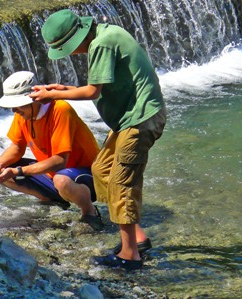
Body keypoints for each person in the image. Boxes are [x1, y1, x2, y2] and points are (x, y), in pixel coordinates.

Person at [30, 9, 166, 270]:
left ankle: (129, 256)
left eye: (68, 48)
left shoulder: (101, 44)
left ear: (77, 38)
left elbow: (93, 92)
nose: (70, 54)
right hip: (133, 118)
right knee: (102, 170)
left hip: (139, 120)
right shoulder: (106, 33)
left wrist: (55, 96)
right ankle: (137, 238)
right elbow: (100, 86)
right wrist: (58, 90)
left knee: (121, 184)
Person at [0, 71, 103, 231]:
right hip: (55, 175)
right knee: (0, 171)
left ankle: (89, 211)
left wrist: (18, 171)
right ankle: (54, 198)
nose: (14, 111)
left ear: (34, 99)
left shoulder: (60, 109)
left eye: (17, 105)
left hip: (89, 176)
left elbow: (60, 162)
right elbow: (17, 147)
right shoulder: (23, 113)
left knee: (61, 180)